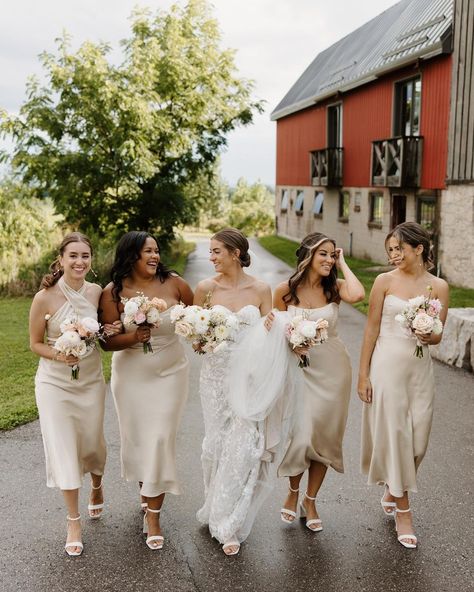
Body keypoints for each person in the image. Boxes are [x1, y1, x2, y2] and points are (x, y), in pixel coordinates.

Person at [100, 231, 193, 550]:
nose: (154, 256)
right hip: (131, 375)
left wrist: (205, 334)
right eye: (147, 251)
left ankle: (153, 515)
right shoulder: (112, 292)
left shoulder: (175, 284)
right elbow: (106, 342)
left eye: (156, 251)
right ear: (131, 256)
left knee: (159, 439)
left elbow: (196, 317)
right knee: (140, 440)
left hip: (172, 373)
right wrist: (133, 337)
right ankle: (148, 492)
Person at [29, 232, 121, 557]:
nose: (80, 262)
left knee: (93, 442)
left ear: (91, 260)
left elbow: (104, 330)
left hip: (91, 379)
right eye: (74, 256)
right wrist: (60, 355)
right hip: (54, 383)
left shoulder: (97, 292)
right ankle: (73, 520)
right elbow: (35, 343)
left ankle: (97, 484)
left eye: (85, 256)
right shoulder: (44, 297)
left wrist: (107, 330)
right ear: (61, 258)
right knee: (64, 447)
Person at [358, 221, 449, 549]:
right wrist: (363, 375)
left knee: (418, 441)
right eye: (390, 250)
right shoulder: (384, 282)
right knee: (396, 436)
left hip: (420, 370)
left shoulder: (438, 286)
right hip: (386, 368)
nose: (393, 255)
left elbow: (439, 334)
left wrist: (430, 333)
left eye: (399, 249)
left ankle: (393, 487)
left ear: (419, 249)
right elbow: (370, 330)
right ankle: (404, 512)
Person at [273, 232, 364, 532]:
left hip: (334, 369)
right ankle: (293, 491)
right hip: (299, 369)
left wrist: (344, 263)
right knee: (301, 434)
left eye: (331, 254)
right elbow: (273, 332)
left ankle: (311, 500)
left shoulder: (334, 288)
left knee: (324, 437)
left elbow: (358, 294)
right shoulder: (285, 291)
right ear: (308, 256)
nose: (328, 260)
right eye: (322, 254)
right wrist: (290, 344)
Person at [194, 228, 273, 556]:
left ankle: (229, 523)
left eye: (216, 252)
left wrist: (278, 332)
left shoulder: (261, 288)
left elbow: (270, 333)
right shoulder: (205, 289)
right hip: (214, 377)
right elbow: (195, 336)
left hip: (249, 378)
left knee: (244, 444)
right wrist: (201, 337)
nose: (210, 258)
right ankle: (214, 506)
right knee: (217, 442)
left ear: (236, 253)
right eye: (210, 252)